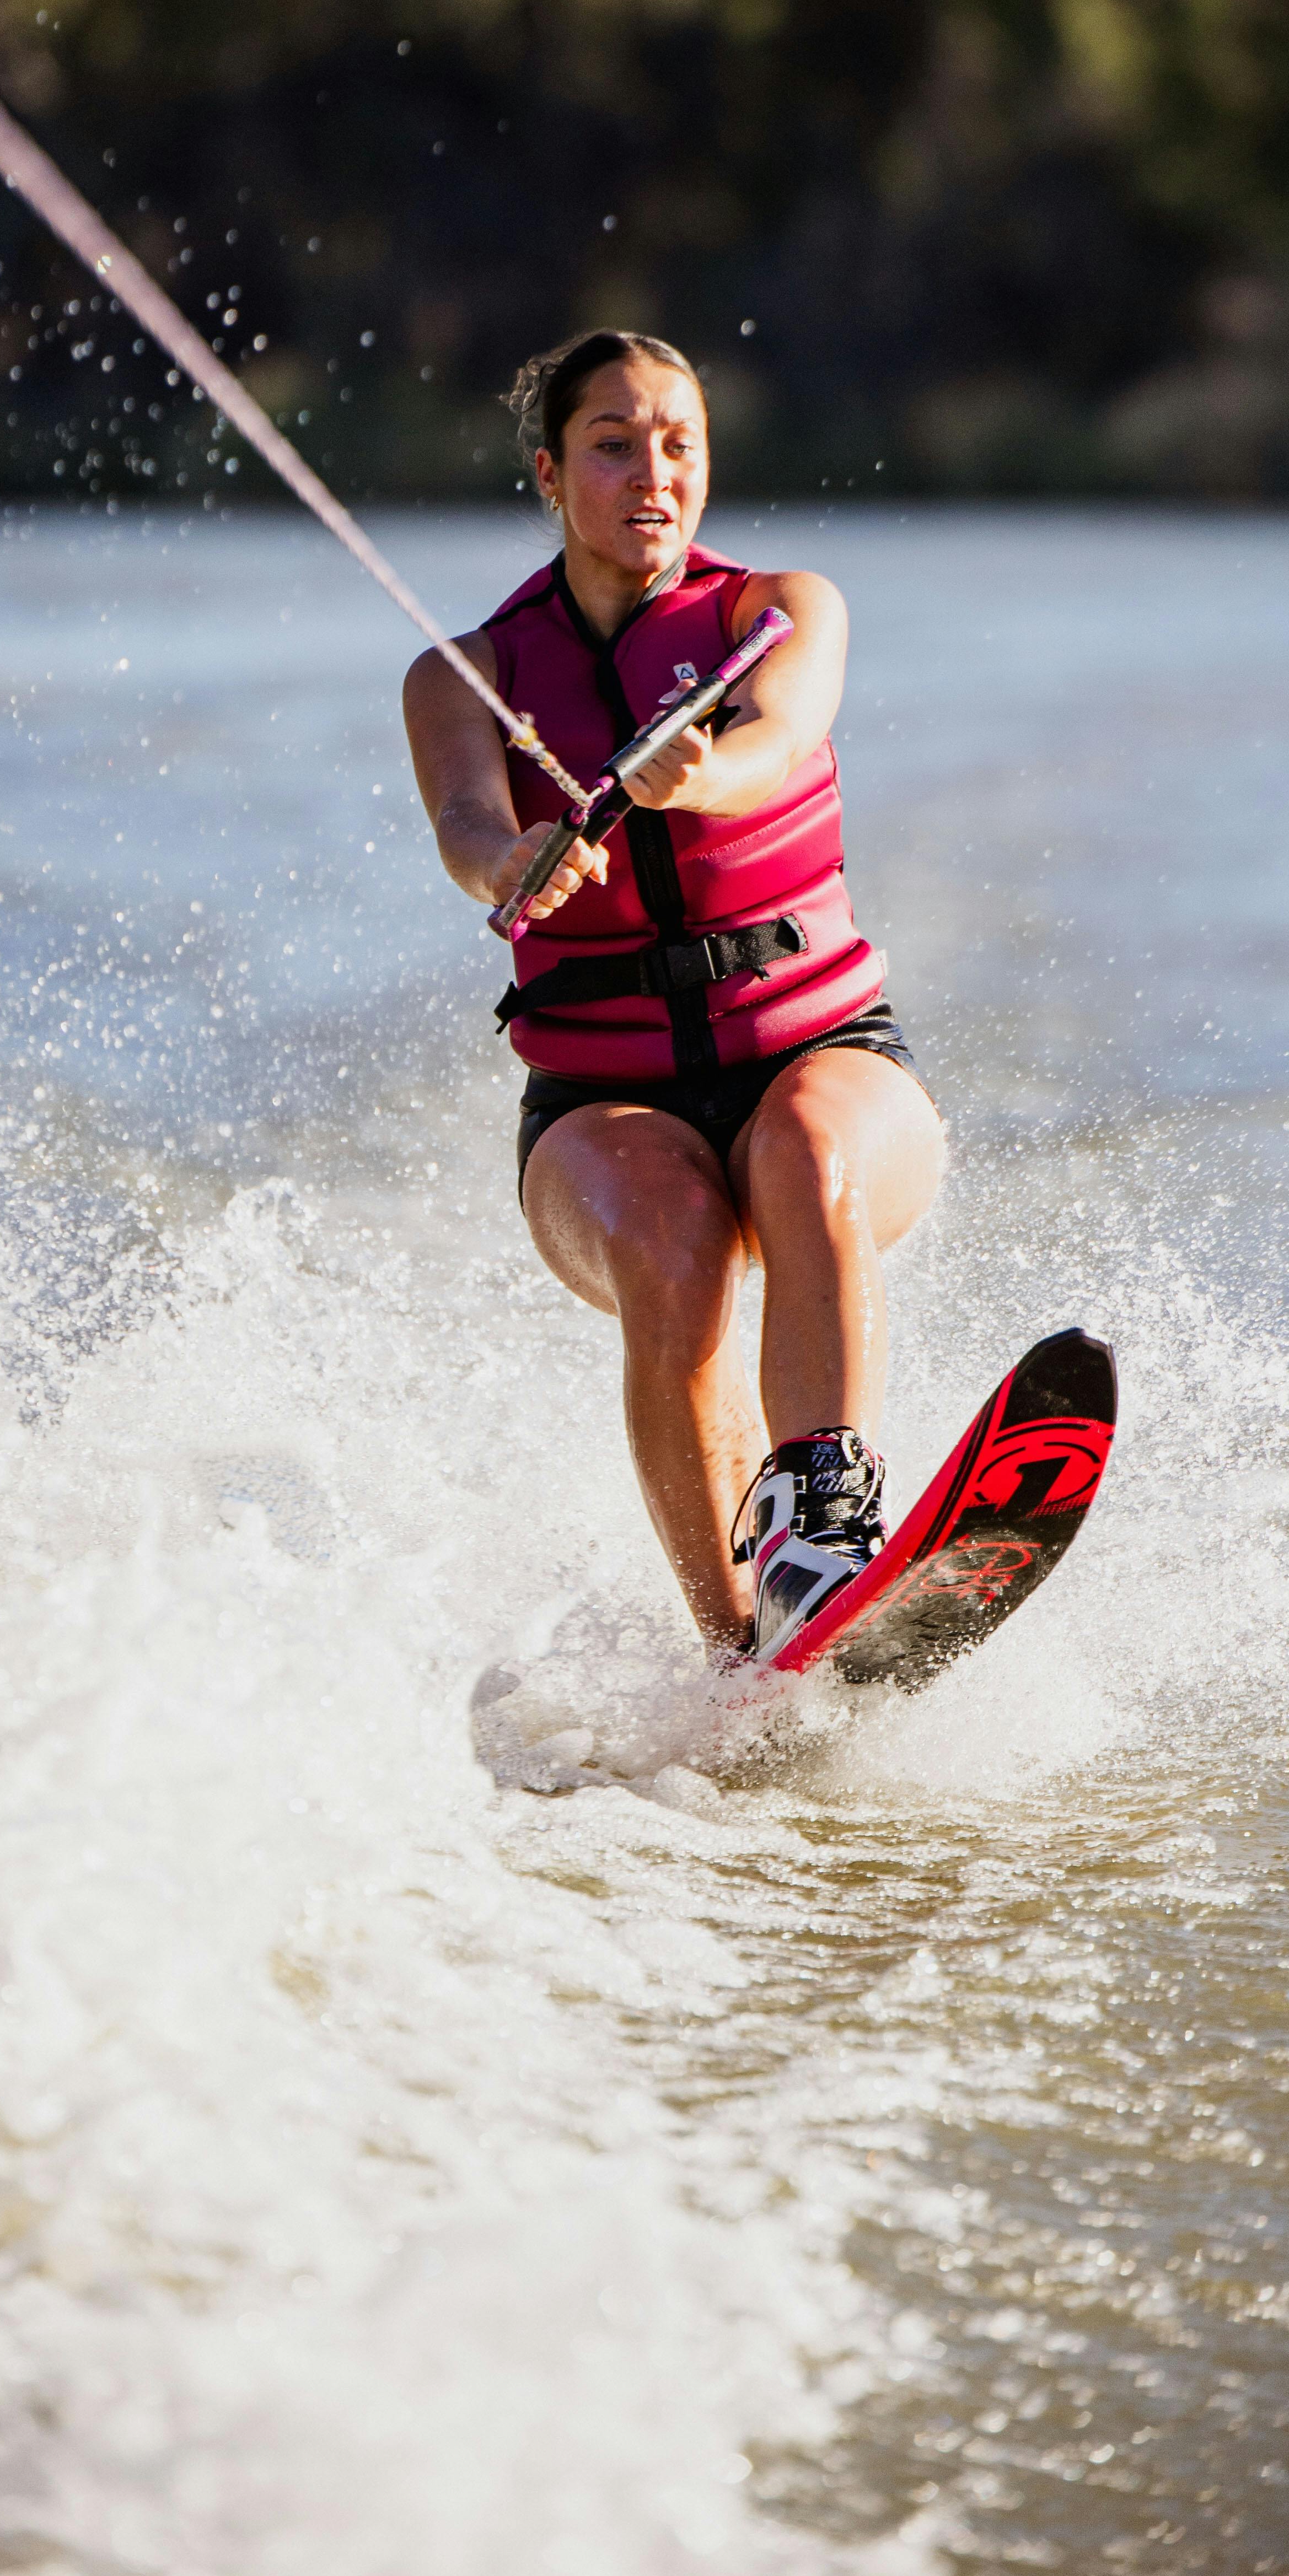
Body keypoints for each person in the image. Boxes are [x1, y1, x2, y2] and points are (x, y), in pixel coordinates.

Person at [404, 327, 946, 1657]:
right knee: (672, 1240)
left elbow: (781, 735)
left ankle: (821, 1516)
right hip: (601, 1098)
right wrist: (515, 855)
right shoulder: (461, 678)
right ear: (548, 468)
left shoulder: (777, 612)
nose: (653, 471)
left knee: (804, 1146)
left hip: (818, 1049)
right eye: (612, 442)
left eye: (679, 443)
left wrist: (690, 775)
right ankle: (737, 1643)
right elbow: (467, 828)